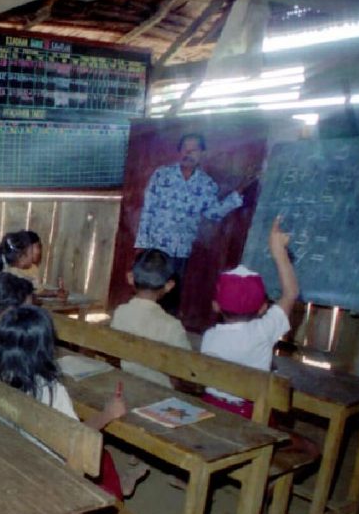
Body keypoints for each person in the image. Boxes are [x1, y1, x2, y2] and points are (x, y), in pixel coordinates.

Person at [0, 306, 148, 498]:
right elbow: (75, 437)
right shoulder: (51, 390)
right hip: (44, 476)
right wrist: (108, 414)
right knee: (99, 455)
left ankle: (120, 484)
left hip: (7, 457)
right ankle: (115, 496)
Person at [134, 133, 257, 314]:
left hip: (180, 252)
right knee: (147, 296)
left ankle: (163, 336)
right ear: (179, 152)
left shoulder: (206, 185)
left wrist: (240, 190)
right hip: (155, 248)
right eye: (185, 149)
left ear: (202, 154)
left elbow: (214, 213)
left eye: (194, 150)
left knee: (171, 299)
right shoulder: (162, 175)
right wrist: (141, 246)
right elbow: (148, 210)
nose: (188, 153)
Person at [200, 217, 297, 416]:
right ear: (263, 308)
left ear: (215, 305)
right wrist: (279, 252)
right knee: (309, 447)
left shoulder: (209, 336)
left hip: (211, 407)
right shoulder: (262, 332)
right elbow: (291, 294)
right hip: (249, 414)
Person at [110, 249, 192, 388]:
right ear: (169, 286)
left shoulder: (121, 312)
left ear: (130, 277)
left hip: (126, 382)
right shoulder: (172, 326)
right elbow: (188, 368)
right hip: (160, 392)